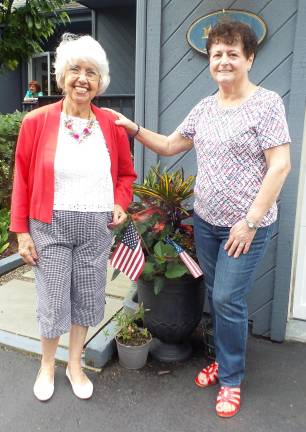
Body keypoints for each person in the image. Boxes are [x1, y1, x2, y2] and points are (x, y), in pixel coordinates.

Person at [107, 21, 291, 418]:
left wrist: (251, 221)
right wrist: (133, 128)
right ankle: (225, 361)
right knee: (217, 295)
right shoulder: (206, 107)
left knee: (227, 297)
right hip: (207, 222)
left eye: (232, 53)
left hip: (247, 226)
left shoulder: (267, 103)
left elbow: (280, 166)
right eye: (217, 54)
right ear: (210, 61)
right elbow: (173, 144)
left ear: (250, 58)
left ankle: (231, 378)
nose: (224, 61)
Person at [10, 33, 136, 401]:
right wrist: (20, 231)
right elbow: (23, 176)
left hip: (97, 226)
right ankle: (47, 364)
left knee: (86, 296)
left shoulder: (111, 125)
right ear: (62, 76)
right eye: (76, 70)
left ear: (100, 82)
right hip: (49, 225)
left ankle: (75, 364)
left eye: (92, 73)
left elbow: (126, 175)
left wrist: (121, 202)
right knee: (52, 298)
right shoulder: (36, 121)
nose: (83, 78)